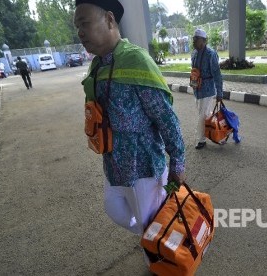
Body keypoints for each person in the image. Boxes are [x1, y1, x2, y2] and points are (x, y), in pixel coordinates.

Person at [74, 0, 185, 238]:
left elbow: (166, 118)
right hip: (114, 166)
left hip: (142, 167)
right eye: (77, 27)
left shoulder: (136, 60)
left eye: (85, 24)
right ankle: (156, 234)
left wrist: (177, 162)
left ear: (110, 20)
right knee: (114, 209)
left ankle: (161, 255)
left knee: (150, 225)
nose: (80, 33)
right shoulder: (96, 66)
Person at [190, 28, 223, 150]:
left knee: (202, 115)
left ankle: (201, 140)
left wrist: (220, 93)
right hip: (197, 90)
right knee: (204, 114)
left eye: (196, 39)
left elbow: (217, 75)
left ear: (204, 40)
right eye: (193, 39)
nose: (194, 42)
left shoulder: (211, 54)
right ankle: (214, 130)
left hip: (208, 90)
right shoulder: (194, 53)